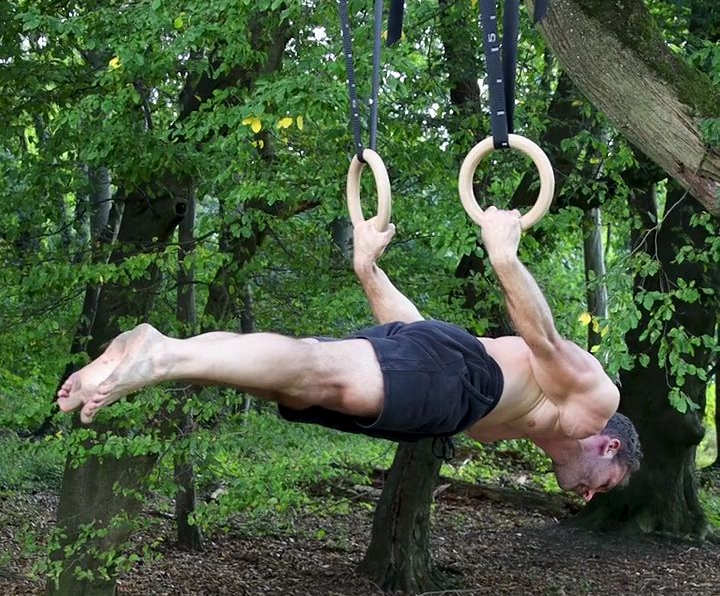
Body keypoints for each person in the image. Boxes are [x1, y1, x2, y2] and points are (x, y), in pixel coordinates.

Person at [57, 208, 641, 502]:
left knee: (298, 378)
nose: (591, 495)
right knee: (320, 375)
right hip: (462, 381)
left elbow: (421, 335)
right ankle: (161, 357)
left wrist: (368, 269)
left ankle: (172, 349)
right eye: (605, 484)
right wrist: (504, 258)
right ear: (608, 445)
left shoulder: (532, 428)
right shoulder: (594, 403)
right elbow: (545, 339)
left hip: (446, 371)